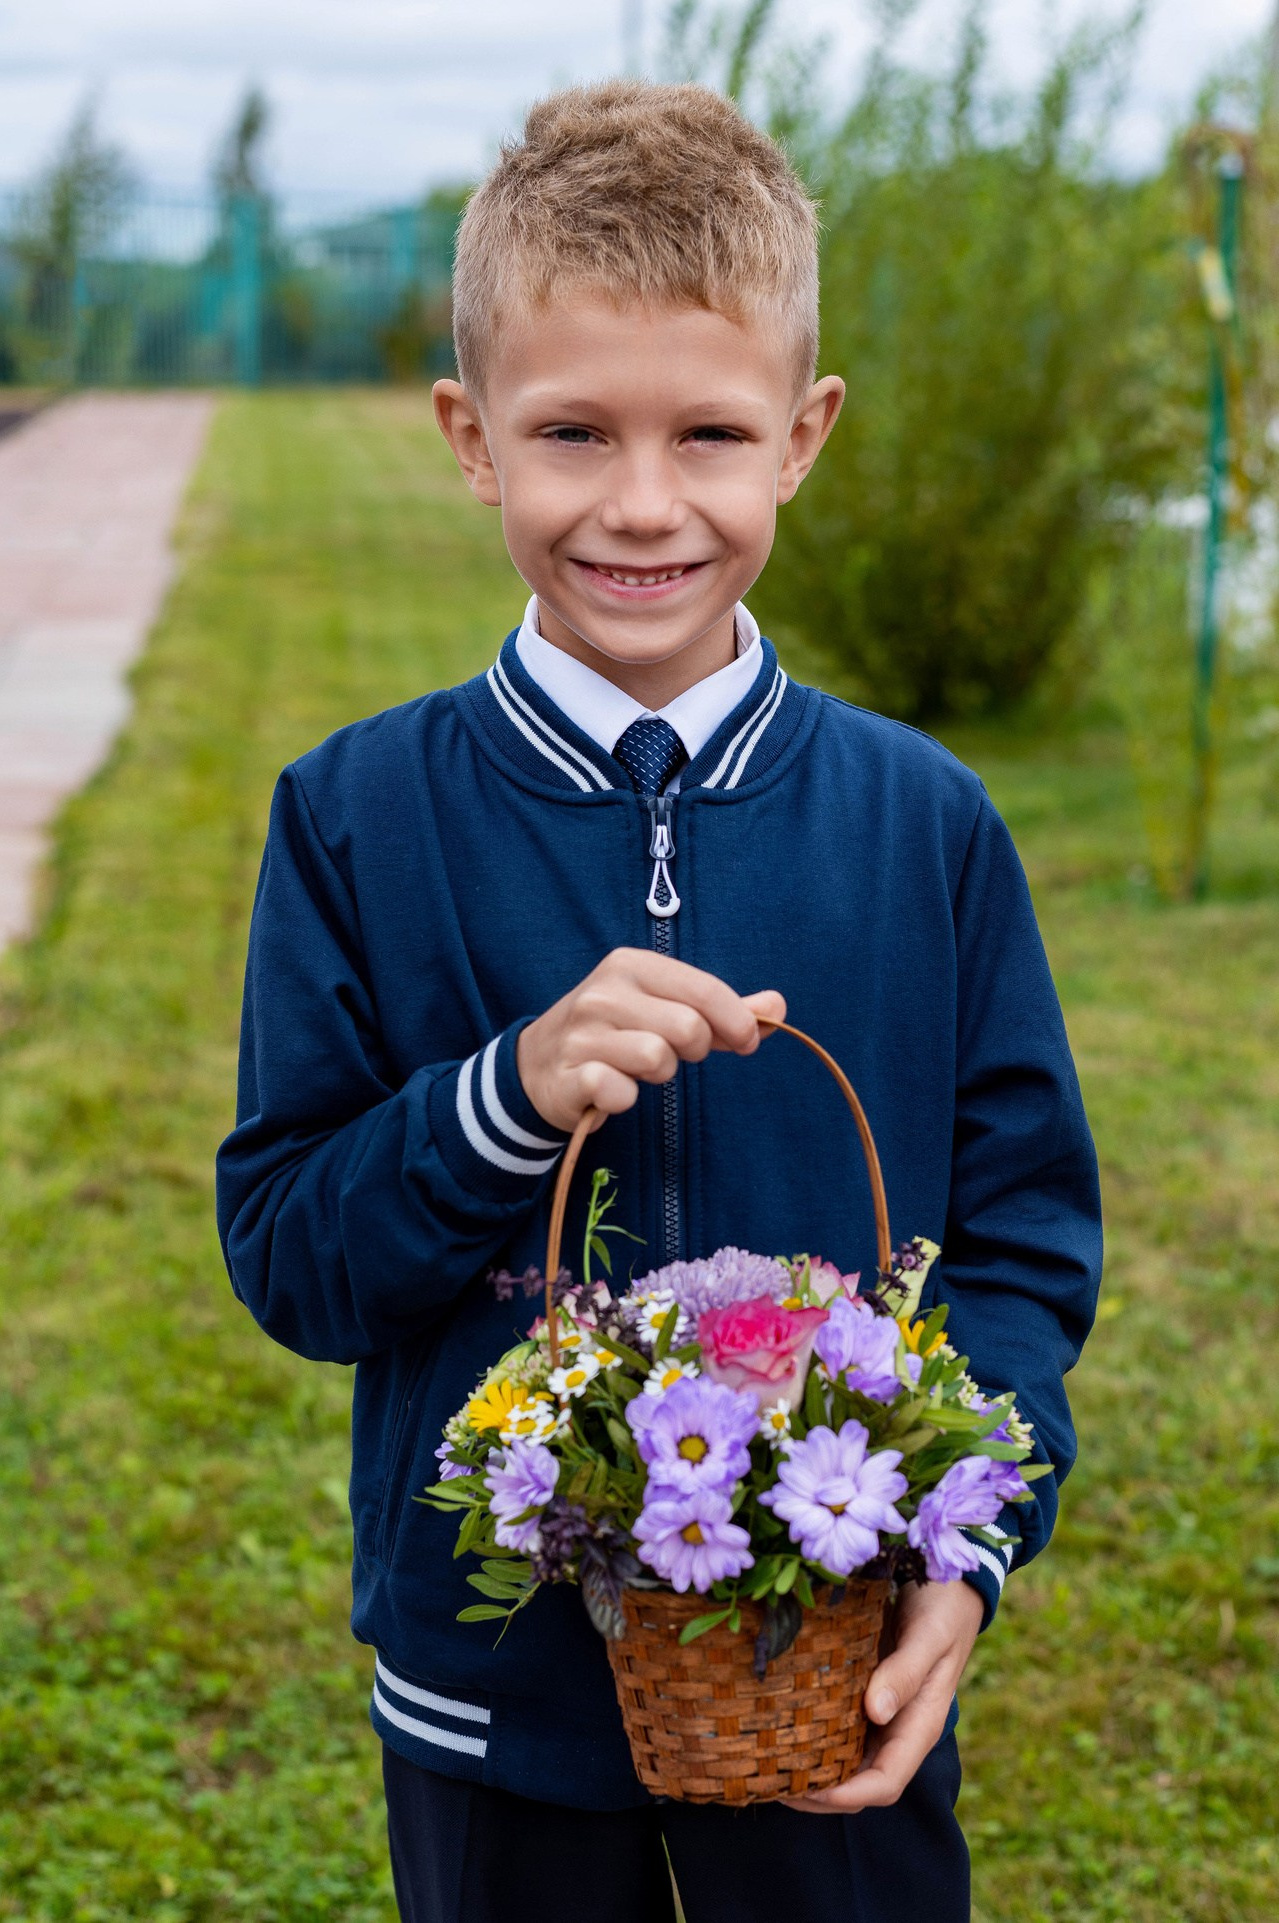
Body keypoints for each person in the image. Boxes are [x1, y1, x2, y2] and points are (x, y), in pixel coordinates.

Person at [216, 79, 1101, 1923]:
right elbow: (294, 1256)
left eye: (709, 433)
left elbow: (1021, 1246)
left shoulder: (925, 822)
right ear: (472, 437)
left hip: (831, 1669)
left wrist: (968, 1547)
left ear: (804, 436)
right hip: (494, 1702)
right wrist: (504, 1097)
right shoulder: (357, 817)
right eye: (572, 433)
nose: (641, 504)